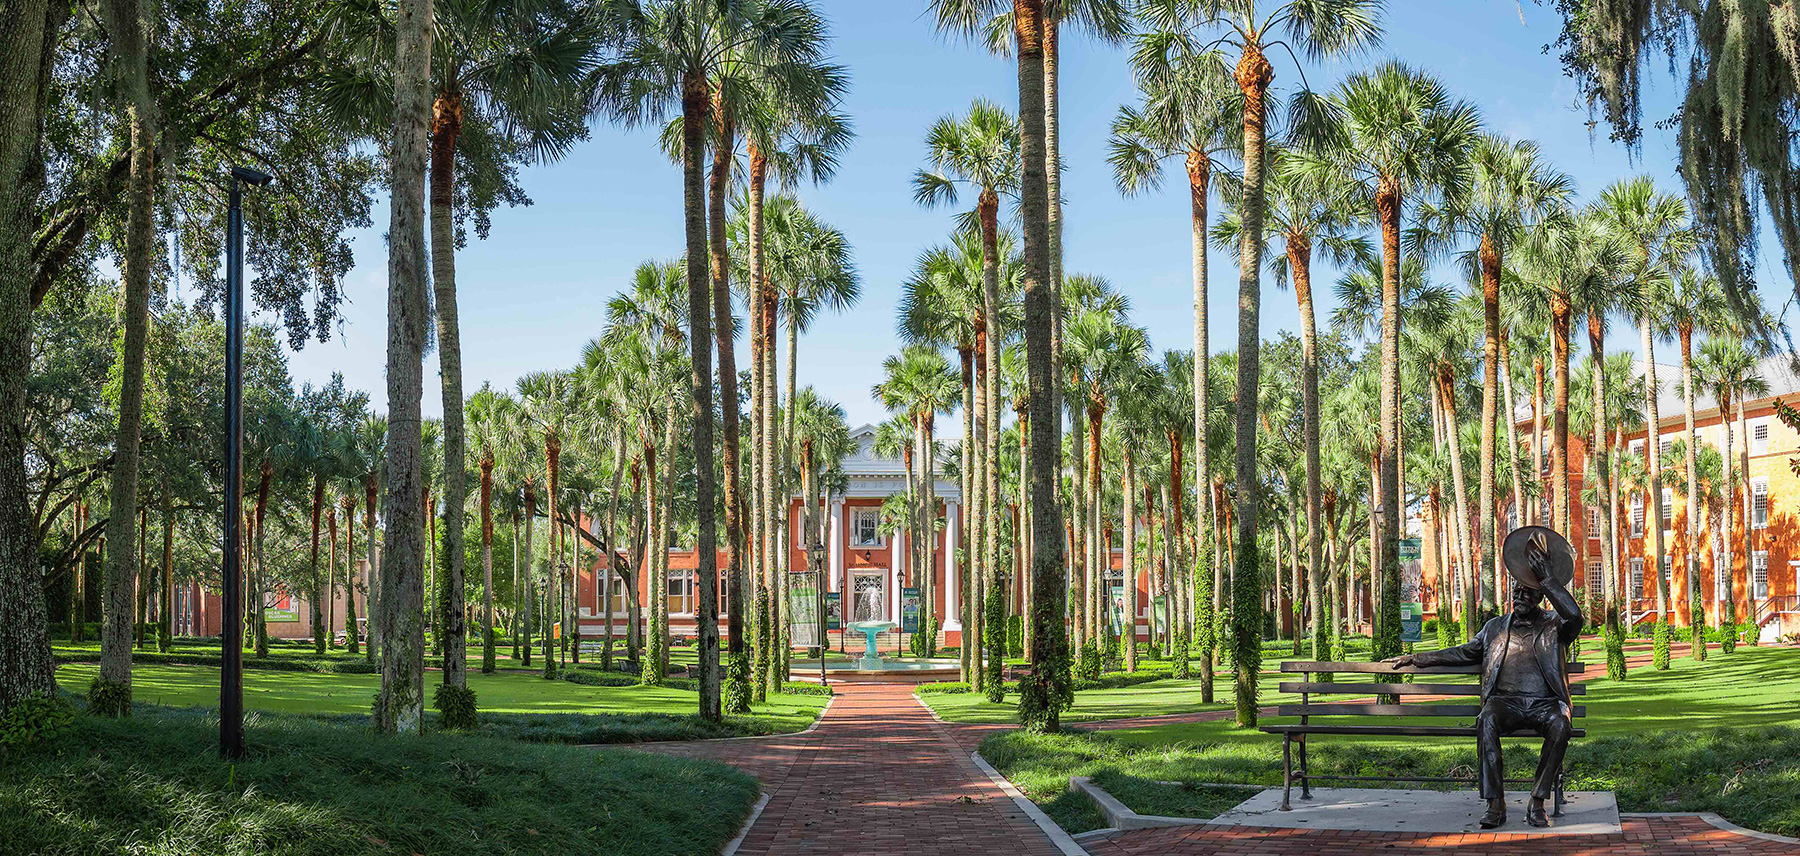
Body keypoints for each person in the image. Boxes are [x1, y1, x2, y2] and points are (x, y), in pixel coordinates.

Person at [1386, 531, 1582, 828]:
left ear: (1541, 596)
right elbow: (1463, 653)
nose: (1519, 597)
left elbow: (1576, 616)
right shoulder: (1494, 628)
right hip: (1507, 704)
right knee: (1486, 718)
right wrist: (1417, 658)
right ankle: (1496, 803)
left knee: (1561, 722)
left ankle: (1538, 801)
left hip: (1545, 704)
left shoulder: (1556, 625)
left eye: (1527, 592)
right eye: (1516, 592)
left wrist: (1547, 579)